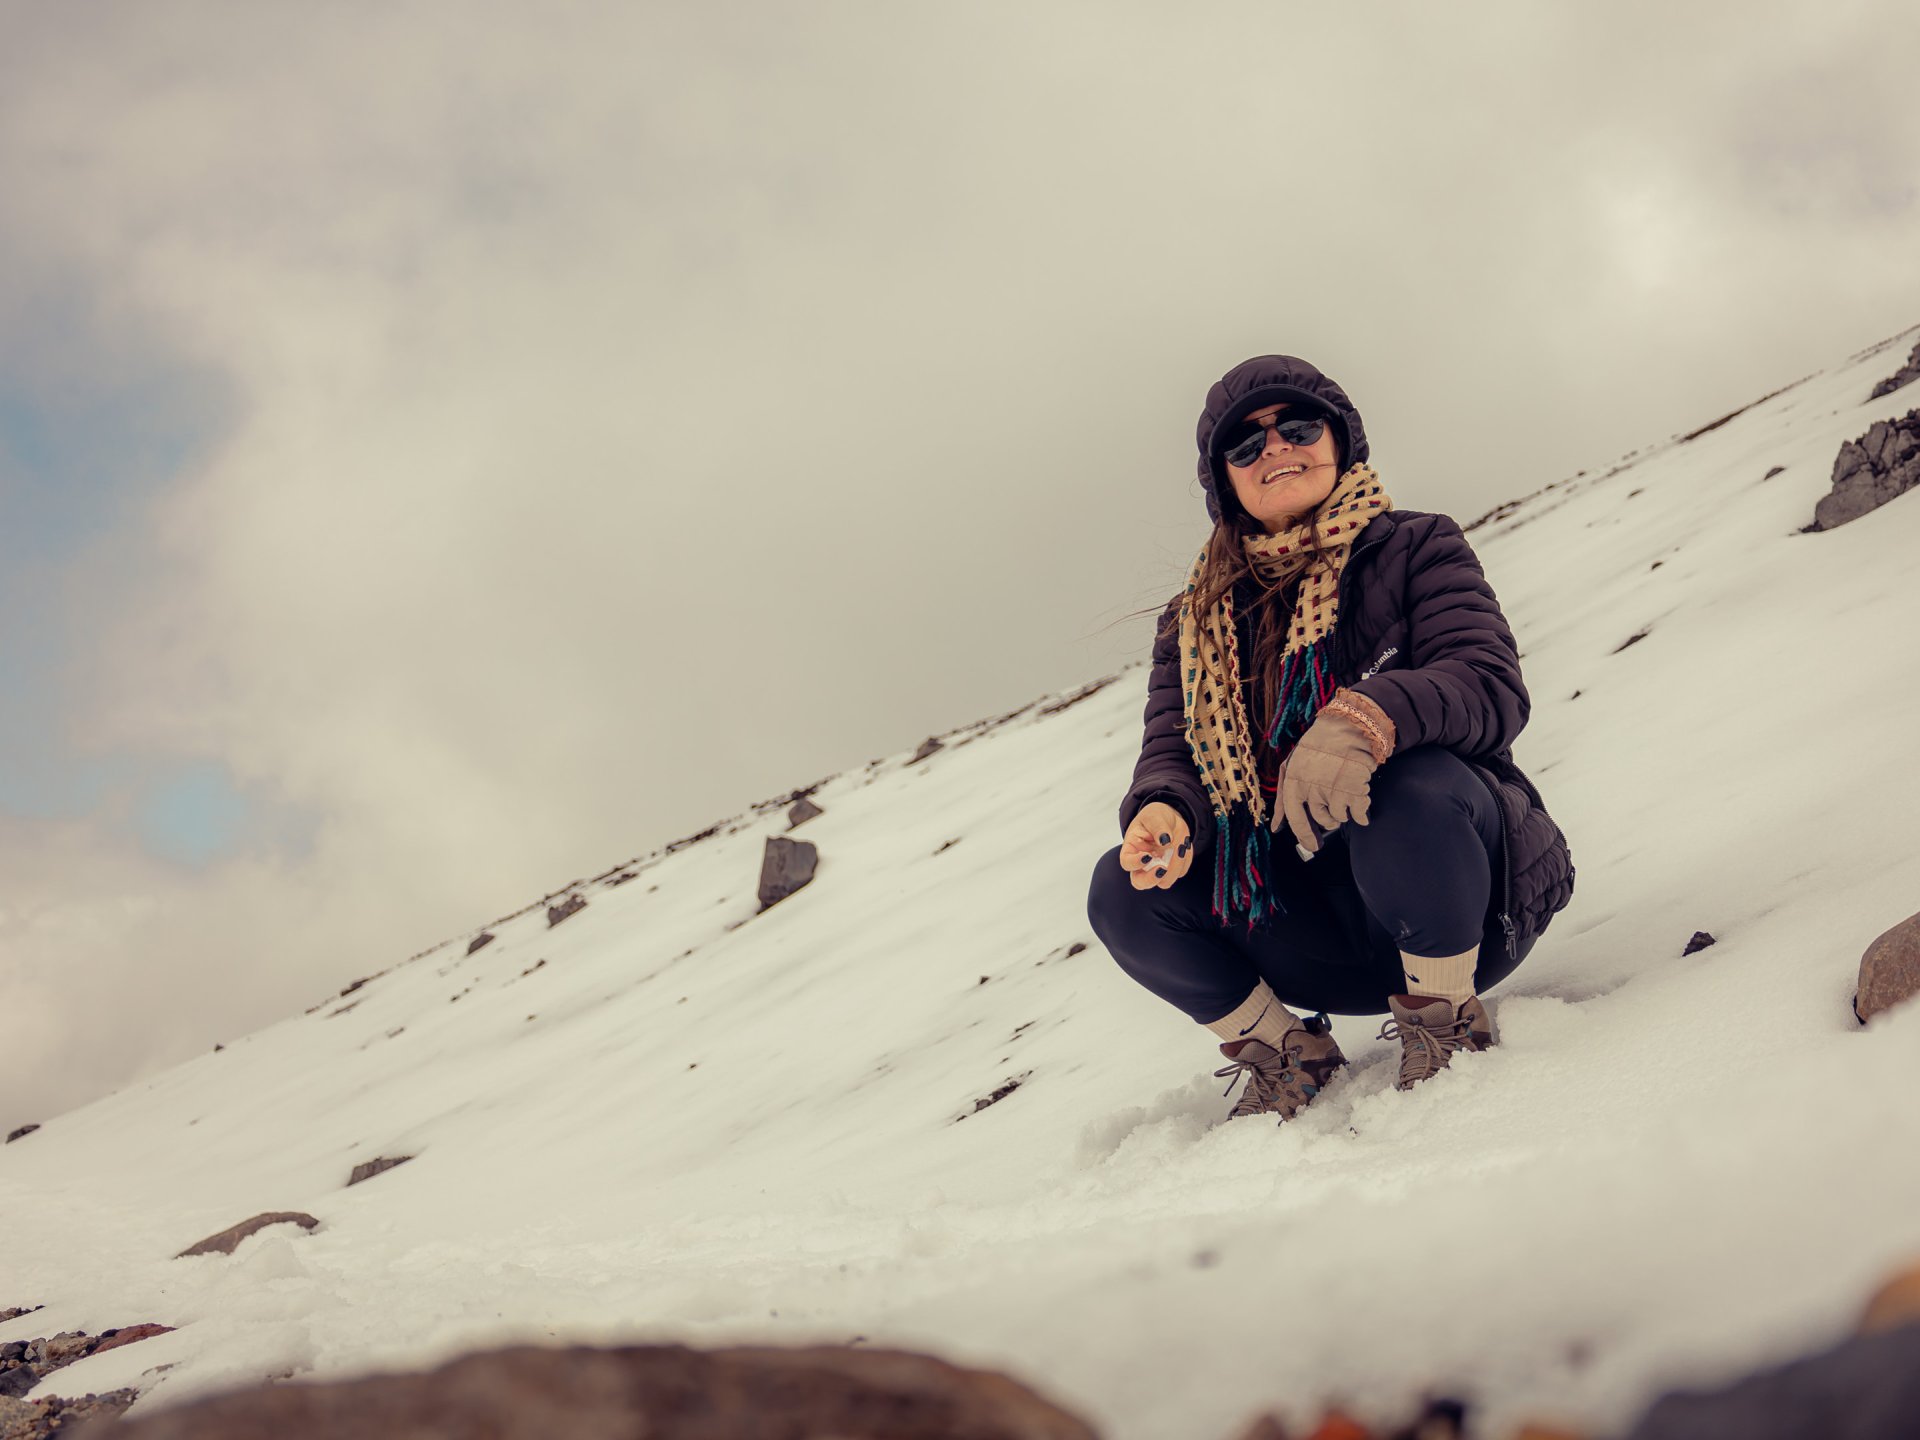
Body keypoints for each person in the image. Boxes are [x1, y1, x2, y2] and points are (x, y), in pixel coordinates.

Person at [1086, 355, 1574, 1122]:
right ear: (1226, 483)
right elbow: (1173, 748)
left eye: (1298, 426)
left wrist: (1368, 717)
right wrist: (1165, 811)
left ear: (1340, 442)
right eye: (1245, 446)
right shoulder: (1191, 623)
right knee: (1122, 888)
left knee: (1410, 784)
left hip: (1462, 904)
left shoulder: (1416, 548)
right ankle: (1291, 1055)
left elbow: (1488, 682)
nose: (1275, 449)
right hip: (1310, 929)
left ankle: (1445, 1023)